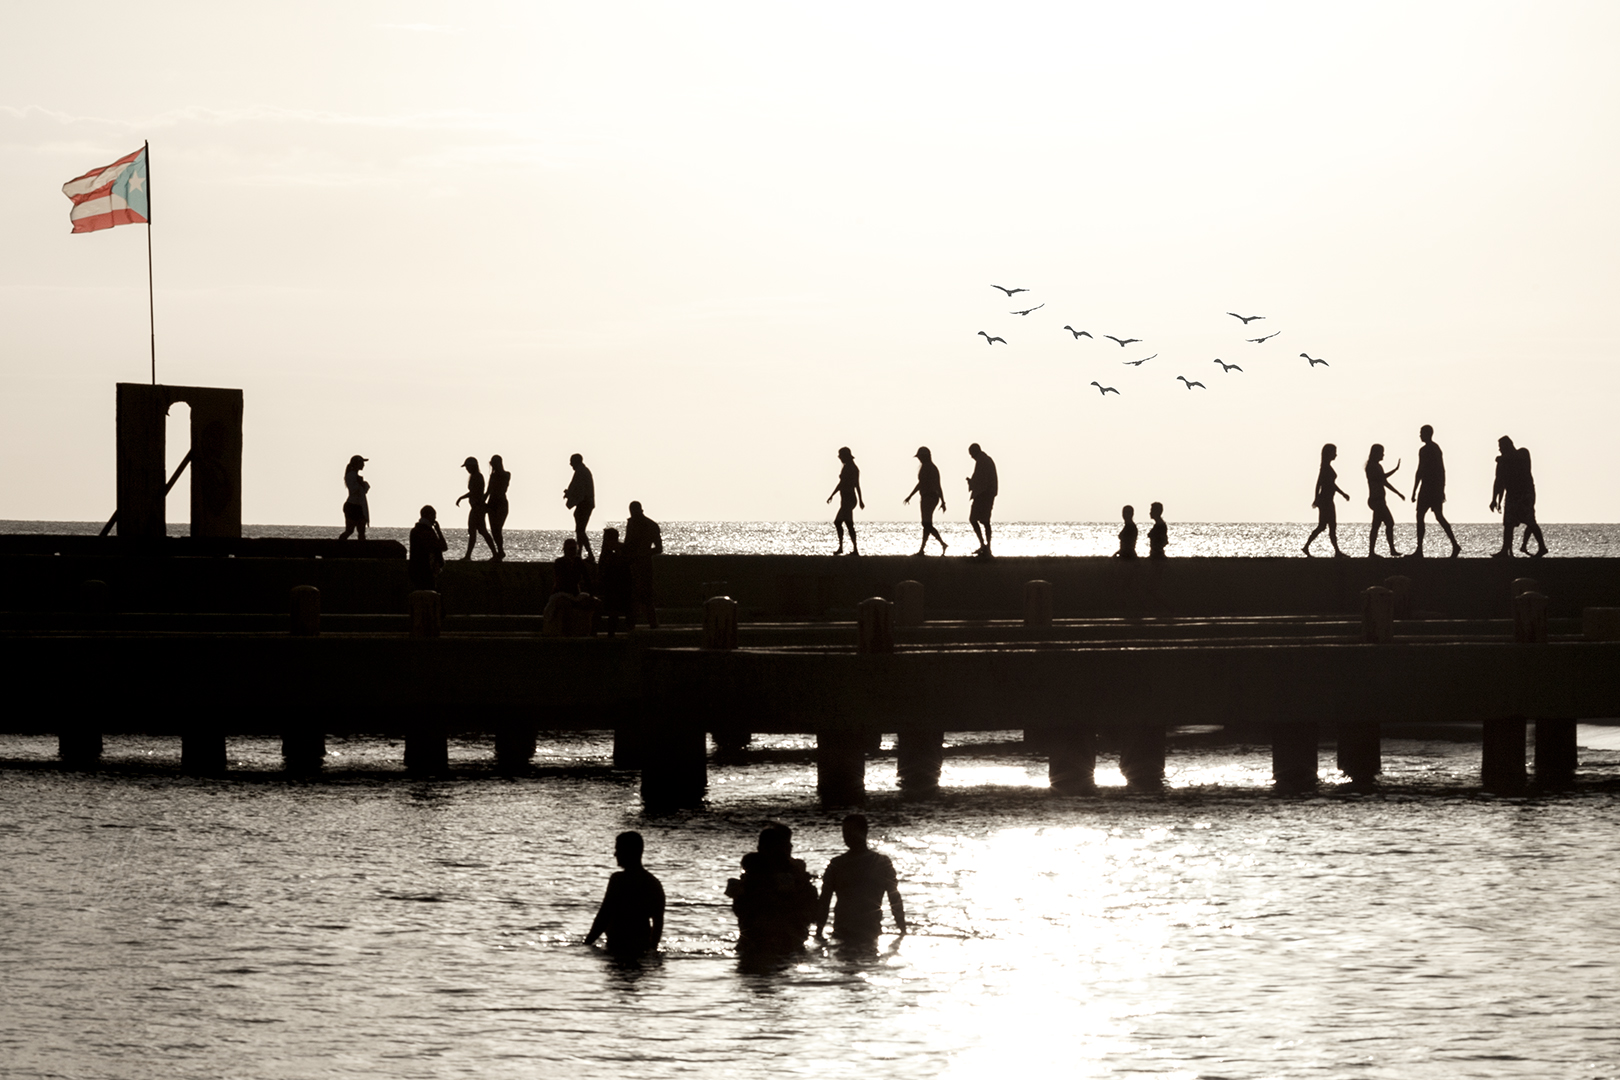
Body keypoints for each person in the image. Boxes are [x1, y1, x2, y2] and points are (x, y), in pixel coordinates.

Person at [726, 823, 819, 953]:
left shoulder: (749, 877)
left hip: (751, 943)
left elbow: (739, 909)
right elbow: (812, 913)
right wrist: (802, 878)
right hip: (787, 943)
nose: (791, 846)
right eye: (788, 843)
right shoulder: (793, 878)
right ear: (783, 848)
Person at [816, 814, 906, 945]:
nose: (847, 836)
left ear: (864, 832)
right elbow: (824, 901)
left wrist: (902, 930)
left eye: (851, 831)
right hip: (843, 931)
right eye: (844, 832)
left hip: (870, 930)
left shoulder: (882, 863)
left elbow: (894, 899)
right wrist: (819, 932)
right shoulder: (836, 864)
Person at [585, 831, 665, 957]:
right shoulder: (653, 882)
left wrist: (587, 943)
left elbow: (604, 915)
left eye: (618, 849)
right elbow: (658, 922)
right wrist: (653, 948)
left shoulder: (618, 880)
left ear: (629, 852)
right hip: (641, 947)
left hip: (617, 945)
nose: (615, 854)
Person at [1491, 436, 1548, 558]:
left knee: (1530, 520)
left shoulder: (1522, 453)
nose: (1500, 450)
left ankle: (1542, 547)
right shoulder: (1502, 463)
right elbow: (1498, 482)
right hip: (1511, 494)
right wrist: (1494, 499)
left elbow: (1515, 457)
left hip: (1525, 493)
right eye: (1499, 448)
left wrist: (1502, 459)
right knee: (1508, 523)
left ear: (1509, 446)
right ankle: (1505, 550)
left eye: (1502, 447)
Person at [1411, 425, 1461, 559]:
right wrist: (1415, 490)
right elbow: (1423, 470)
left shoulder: (1431, 449)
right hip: (1429, 487)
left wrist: (1440, 489)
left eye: (1422, 433)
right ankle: (1420, 549)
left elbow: (1435, 470)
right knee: (1425, 516)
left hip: (1431, 488)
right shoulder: (1428, 449)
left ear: (1428, 434)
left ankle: (1453, 545)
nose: (1420, 435)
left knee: (1433, 516)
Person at [1303, 443, 1350, 557]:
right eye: (1334, 452)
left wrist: (1342, 494)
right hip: (1326, 500)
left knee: (1324, 526)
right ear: (1328, 454)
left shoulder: (1326, 467)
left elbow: (1327, 484)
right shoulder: (1325, 468)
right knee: (1328, 526)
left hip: (1327, 499)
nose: (1336, 455)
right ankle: (1336, 552)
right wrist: (1316, 498)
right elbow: (1322, 484)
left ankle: (1307, 547)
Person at [624, 501, 663, 629]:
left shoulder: (649, 525)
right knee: (636, 597)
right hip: (634, 564)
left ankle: (650, 624)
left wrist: (643, 553)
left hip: (643, 565)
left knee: (644, 596)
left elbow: (658, 548)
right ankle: (636, 625)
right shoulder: (634, 524)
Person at [903, 446, 948, 556]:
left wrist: (910, 496)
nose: (919, 459)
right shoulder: (933, 468)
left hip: (928, 497)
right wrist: (942, 501)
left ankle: (941, 544)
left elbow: (921, 484)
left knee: (926, 523)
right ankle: (923, 549)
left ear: (925, 457)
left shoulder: (927, 468)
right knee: (927, 523)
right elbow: (938, 486)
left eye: (920, 457)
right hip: (932, 497)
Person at [1364, 444, 1404, 557]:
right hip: (1376, 501)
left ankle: (1373, 552)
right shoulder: (1371, 466)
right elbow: (1382, 478)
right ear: (1376, 453)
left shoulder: (1378, 466)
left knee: (1377, 525)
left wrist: (1398, 493)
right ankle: (1388, 550)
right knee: (1389, 523)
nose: (1383, 455)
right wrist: (1395, 470)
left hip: (1380, 500)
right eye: (1381, 452)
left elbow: (1384, 482)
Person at [455, 456, 498, 561]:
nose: (467, 469)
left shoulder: (477, 477)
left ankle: (493, 554)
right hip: (476, 508)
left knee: (479, 531)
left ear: (473, 466)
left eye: (468, 467)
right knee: (476, 531)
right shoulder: (475, 476)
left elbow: (474, 492)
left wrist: (461, 497)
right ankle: (470, 555)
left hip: (478, 508)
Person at [826, 447, 864, 556]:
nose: (840, 459)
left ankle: (851, 549)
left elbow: (856, 485)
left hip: (849, 498)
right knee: (843, 523)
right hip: (845, 499)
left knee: (843, 522)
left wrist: (861, 500)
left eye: (841, 456)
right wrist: (832, 495)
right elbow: (841, 484)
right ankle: (846, 548)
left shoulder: (852, 468)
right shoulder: (846, 467)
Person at [597, 526, 633, 637]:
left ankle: (623, 633)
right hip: (614, 584)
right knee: (616, 611)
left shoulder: (618, 549)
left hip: (619, 584)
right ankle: (614, 633)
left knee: (618, 611)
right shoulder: (609, 550)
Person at [966, 443, 997, 558]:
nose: (971, 457)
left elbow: (980, 479)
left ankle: (985, 546)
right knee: (984, 521)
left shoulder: (982, 461)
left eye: (971, 454)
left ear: (975, 452)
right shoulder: (986, 460)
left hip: (984, 494)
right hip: (987, 494)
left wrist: (971, 483)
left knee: (977, 520)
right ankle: (985, 546)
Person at [407, 505, 447, 591]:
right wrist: (438, 531)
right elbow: (443, 547)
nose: (435, 518)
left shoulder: (415, 531)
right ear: (429, 516)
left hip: (415, 571)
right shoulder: (428, 532)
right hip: (426, 572)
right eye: (434, 516)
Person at [564, 453, 596, 558]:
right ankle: (580, 552)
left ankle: (588, 553)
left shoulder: (581, 472)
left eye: (572, 462)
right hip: (585, 503)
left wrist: (569, 494)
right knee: (580, 530)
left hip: (584, 503)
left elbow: (579, 489)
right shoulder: (583, 471)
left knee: (580, 530)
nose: (570, 464)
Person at [338, 455, 370, 540]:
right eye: (361, 463)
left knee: (361, 531)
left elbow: (363, 490)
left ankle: (361, 550)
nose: (363, 465)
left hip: (358, 506)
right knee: (350, 530)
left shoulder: (355, 476)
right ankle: (338, 546)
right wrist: (362, 484)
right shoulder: (351, 476)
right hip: (352, 506)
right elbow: (354, 489)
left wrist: (363, 484)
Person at [486, 455, 511, 562]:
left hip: (500, 503)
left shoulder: (506, 474)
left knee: (497, 529)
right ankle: (499, 552)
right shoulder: (493, 475)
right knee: (494, 530)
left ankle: (500, 551)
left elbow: (502, 488)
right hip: (492, 503)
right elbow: (488, 491)